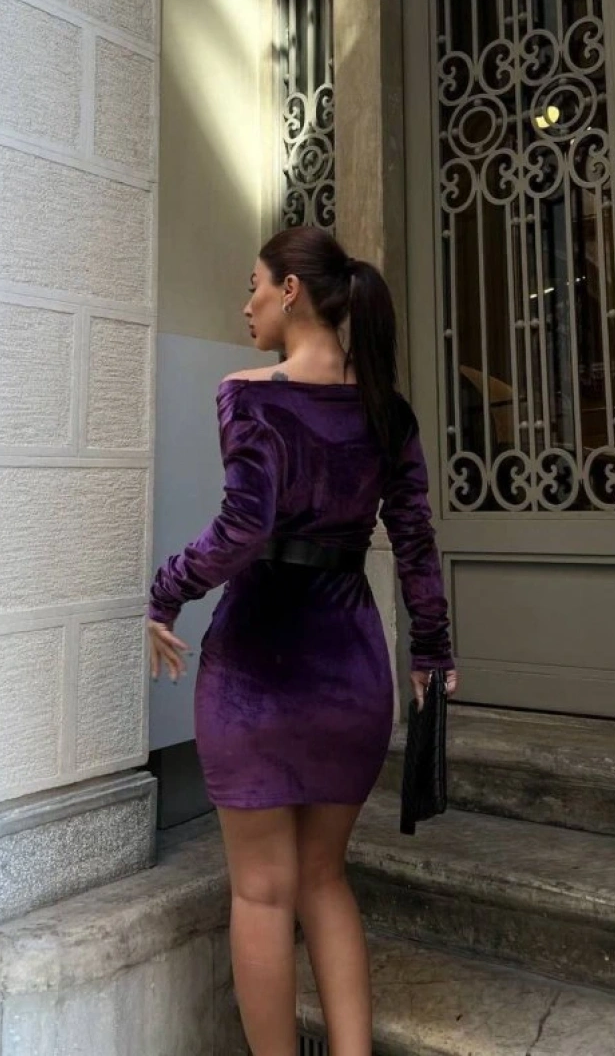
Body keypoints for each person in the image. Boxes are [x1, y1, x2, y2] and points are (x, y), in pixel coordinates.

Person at [146, 226, 458, 1056]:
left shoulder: (248, 396)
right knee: (325, 879)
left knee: (260, 891)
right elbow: (416, 541)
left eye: (253, 283)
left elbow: (242, 528)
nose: (244, 303)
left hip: (257, 669)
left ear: (290, 289)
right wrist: (431, 650)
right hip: (351, 669)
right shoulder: (387, 408)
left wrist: (166, 589)